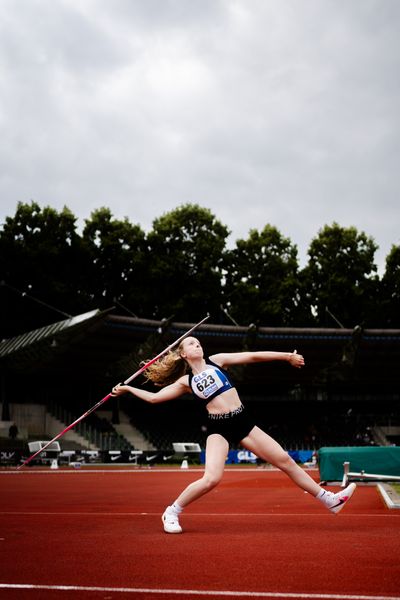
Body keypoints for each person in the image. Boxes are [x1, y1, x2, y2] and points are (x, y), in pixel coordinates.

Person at [112, 336, 356, 533]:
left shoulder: (217, 361)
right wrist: (127, 389)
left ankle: (329, 500)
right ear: (184, 354)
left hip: (242, 421)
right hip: (219, 428)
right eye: (191, 344)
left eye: (198, 342)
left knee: (285, 460)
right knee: (212, 479)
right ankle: (172, 511)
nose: (198, 344)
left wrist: (287, 356)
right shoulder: (185, 381)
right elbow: (154, 398)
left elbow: (251, 356)